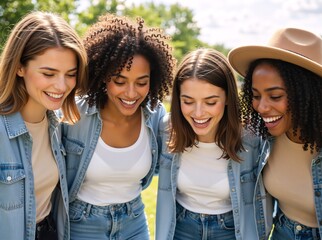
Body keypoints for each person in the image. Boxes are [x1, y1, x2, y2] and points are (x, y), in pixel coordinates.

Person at [61, 13, 175, 240]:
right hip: (81, 224)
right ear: (103, 76)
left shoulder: (155, 115)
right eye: (120, 81)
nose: (131, 94)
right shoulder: (75, 114)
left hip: (134, 221)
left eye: (142, 82)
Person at [156, 48, 264, 240]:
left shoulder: (251, 138)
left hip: (230, 231)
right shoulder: (167, 129)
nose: (198, 113)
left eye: (210, 102)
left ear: (228, 99)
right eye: (188, 101)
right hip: (180, 229)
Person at [0, 11, 88, 240]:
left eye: (70, 74)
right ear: (20, 67)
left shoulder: (58, 126)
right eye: (49, 73)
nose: (61, 86)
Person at [228, 27, 322, 239]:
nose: (261, 107)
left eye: (275, 96)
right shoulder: (263, 137)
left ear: (308, 94)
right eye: (255, 95)